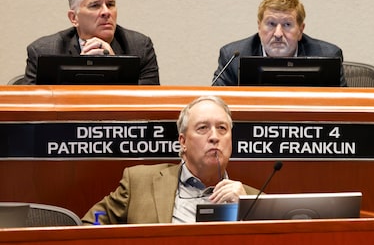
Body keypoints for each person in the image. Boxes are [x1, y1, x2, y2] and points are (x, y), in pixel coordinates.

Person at [82, 95, 258, 224]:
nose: (214, 136)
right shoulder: (140, 182)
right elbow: (95, 222)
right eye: (203, 128)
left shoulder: (254, 200)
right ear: (183, 142)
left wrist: (247, 210)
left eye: (222, 128)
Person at [23, 0, 160, 85]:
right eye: (95, 5)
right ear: (74, 18)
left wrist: (115, 65)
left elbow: (151, 101)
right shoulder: (43, 51)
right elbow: (28, 106)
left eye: (110, 4)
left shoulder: (140, 46)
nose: (106, 12)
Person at [212, 0, 346, 86]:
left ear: (301, 30)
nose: (278, 34)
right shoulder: (233, 57)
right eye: (271, 24)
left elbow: (344, 109)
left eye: (287, 25)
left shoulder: (327, 56)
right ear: (259, 27)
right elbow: (216, 106)